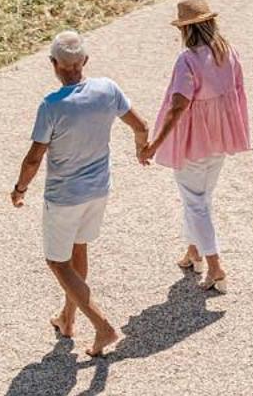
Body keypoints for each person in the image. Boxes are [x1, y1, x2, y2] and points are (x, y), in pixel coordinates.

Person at [10, 29, 149, 358]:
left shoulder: (52, 106)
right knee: (78, 251)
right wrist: (142, 151)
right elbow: (141, 126)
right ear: (84, 61)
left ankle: (103, 327)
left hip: (64, 197)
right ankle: (67, 319)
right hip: (99, 190)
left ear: (54, 64)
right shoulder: (107, 89)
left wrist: (19, 189)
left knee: (57, 263)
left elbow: (34, 158)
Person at [140, 0, 250, 294]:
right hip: (219, 138)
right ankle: (193, 252)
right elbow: (237, 95)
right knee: (201, 198)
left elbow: (178, 105)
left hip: (192, 142)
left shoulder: (187, 59)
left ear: (186, 30)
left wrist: (154, 144)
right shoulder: (229, 54)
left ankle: (215, 267)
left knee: (195, 202)